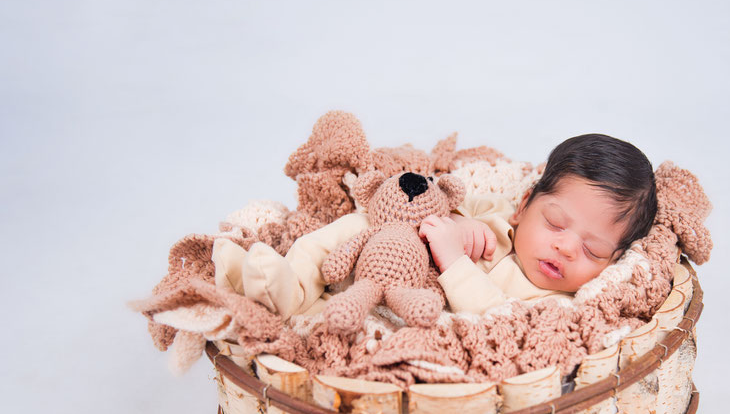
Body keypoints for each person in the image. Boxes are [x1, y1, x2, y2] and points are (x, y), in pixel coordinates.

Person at [213, 133, 657, 319]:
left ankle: (290, 306)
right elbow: (451, 200)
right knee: (356, 223)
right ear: (525, 205)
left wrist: (455, 259)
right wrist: (460, 221)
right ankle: (284, 282)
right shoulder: (502, 214)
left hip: (392, 306)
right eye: (556, 223)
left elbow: (499, 320)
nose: (565, 249)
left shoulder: (556, 303)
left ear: (616, 261)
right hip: (369, 259)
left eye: (594, 251)